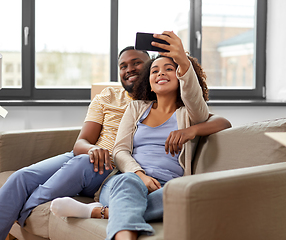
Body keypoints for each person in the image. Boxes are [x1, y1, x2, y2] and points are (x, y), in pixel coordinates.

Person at [0, 46, 231, 239]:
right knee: (24, 176)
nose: (130, 69)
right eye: (123, 66)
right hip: (107, 164)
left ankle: (99, 212)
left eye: (137, 64)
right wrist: (112, 158)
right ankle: (26, 213)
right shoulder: (124, 103)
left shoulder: (187, 111)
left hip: (139, 176)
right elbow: (91, 144)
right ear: (149, 81)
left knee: (178, 196)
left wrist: (191, 130)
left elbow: (215, 116)